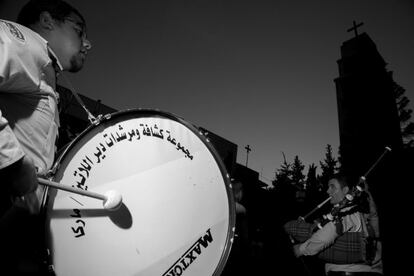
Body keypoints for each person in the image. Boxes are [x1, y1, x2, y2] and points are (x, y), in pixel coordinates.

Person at [0, 0, 91, 273]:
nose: (88, 44)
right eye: (79, 31)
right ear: (47, 21)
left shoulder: (44, 68)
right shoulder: (27, 44)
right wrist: (12, 163)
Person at [286, 173, 383, 276]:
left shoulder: (347, 212)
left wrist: (300, 249)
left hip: (350, 272)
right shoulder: (361, 211)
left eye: (332, 187)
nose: (328, 191)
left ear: (345, 190)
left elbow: (323, 239)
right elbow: (374, 219)